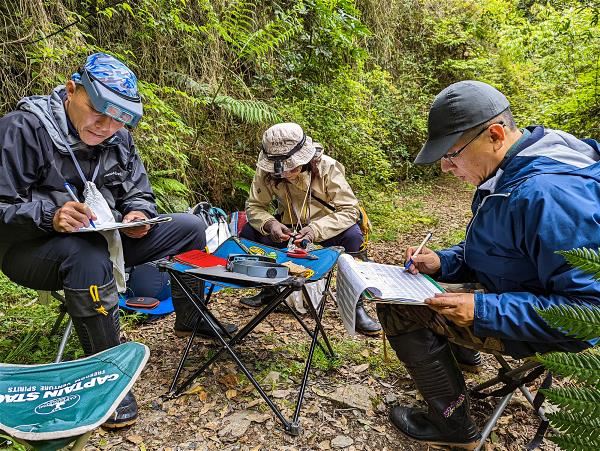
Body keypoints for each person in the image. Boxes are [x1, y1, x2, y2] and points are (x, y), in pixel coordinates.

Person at [0, 53, 236, 429]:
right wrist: (50, 216)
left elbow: (137, 193)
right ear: (72, 89)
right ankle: (107, 372)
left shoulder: (118, 137)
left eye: (119, 119)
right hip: (31, 251)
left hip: (105, 238)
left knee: (190, 227)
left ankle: (190, 317)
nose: (107, 126)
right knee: (86, 254)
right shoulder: (22, 129)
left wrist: (138, 216)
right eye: (98, 112)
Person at [378, 80, 600, 449]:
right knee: (421, 294)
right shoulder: (512, 170)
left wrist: (484, 309)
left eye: (452, 155)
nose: (447, 168)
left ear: (495, 134)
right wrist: (443, 262)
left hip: (546, 324)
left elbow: (589, 310)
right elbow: (499, 251)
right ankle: (462, 359)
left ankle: (453, 426)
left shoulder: (549, 194)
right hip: (518, 292)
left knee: (398, 308)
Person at [239, 122, 381, 336]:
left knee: (353, 236)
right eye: (281, 169)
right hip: (288, 226)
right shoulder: (266, 171)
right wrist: (270, 224)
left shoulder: (327, 167)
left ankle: (356, 305)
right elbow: (254, 206)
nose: (285, 173)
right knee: (250, 233)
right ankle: (269, 290)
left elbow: (349, 210)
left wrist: (316, 230)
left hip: (328, 226)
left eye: (292, 167)